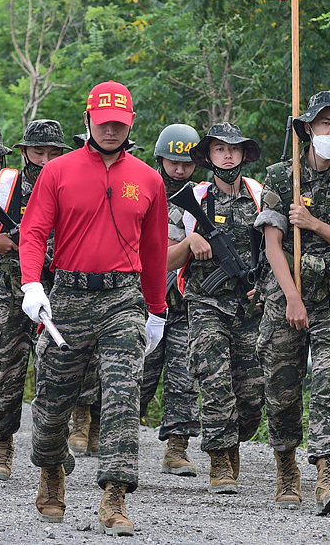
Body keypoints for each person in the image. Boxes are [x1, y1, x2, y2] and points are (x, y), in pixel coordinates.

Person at [19, 81, 169, 535]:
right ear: (88, 119)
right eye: (103, 123)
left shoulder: (148, 179)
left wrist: (157, 309)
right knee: (51, 397)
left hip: (122, 298)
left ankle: (115, 495)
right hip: (67, 294)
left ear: (130, 125)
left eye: (118, 125)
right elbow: (33, 231)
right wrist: (31, 283)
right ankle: (51, 472)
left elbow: (157, 248)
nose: (110, 131)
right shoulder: (58, 171)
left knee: (124, 394)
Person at [255, 91, 330, 515]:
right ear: (308, 128)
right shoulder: (280, 176)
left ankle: (329, 475)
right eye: (325, 124)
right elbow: (272, 244)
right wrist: (291, 297)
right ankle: (287, 466)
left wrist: (312, 224)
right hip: (285, 298)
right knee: (281, 391)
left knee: (328, 382)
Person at [0, 121, 69, 475]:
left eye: (53, 153)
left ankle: (54, 446)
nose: (46, 160)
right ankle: (0, 444)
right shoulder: (5, 188)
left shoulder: (73, 187)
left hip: (58, 290)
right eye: (38, 152)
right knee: (4, 370)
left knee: (58, 372)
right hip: (11, 290)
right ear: (24, 153)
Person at [169, 122, 265, 495]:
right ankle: (219, 460)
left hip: (250, 308)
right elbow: (163, 259)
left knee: (252, 396)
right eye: (219, 149)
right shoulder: (191, 200)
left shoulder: (260, 196)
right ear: (208, 157)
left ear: (243, 155)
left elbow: (278, 248)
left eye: (234, 149)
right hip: (205, 303)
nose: (227, 155)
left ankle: (234, 440)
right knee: (215, 382)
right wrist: (191, 241)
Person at [139, 123, 203, 477]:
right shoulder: (141, 190)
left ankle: (177, 448)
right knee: (137, 376)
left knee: (183, 376)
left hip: (182, 304)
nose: (179, 169)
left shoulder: (202, 198)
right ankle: (112, 436)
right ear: (160, 158)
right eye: (172, 162)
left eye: (187, 163)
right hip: (142, 301)